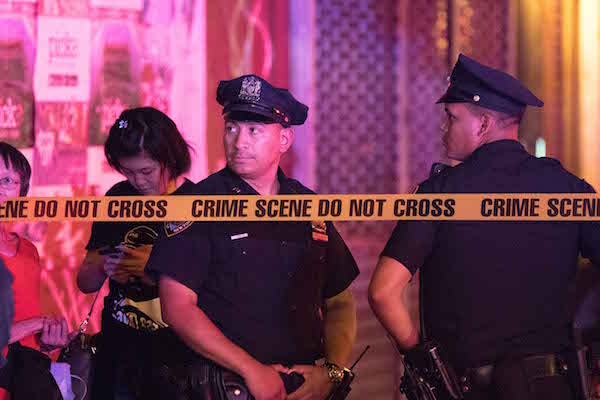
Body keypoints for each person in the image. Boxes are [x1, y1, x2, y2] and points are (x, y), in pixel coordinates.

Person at [368, 54, 600, 400]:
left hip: (465, 388)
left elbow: (383, 293)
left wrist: (422, 358)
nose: (444, 127)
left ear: (482, 125)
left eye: (451, 117)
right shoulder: (569, 190)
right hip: (552, 386)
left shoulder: (438, 194)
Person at [145, 74, 359, 400]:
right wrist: (250, 370)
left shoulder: (309, 208)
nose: (239, 142)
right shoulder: (197, 206)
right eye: (232, 128)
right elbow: (177, 307)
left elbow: (340, 301)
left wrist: (332, 372)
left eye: (253, 131)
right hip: (223, 387)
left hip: (302, 389)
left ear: (284, 140)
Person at [76, 107, 196, 399]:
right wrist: (105, 264)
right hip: (119, 348)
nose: (138, 181)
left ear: (171, 158)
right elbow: (85, 282)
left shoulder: (197, 203)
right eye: (128, 172)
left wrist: (153, 269)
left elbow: (215, 289)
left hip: (179, 351)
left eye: (146, 171)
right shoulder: (117, 198)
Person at [0, 142, 72, 399]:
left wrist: (47, 340)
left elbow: (24, 333)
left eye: (7, 180)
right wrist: (39, 323)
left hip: (25, 383)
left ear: (22, 193)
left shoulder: (29, 250)